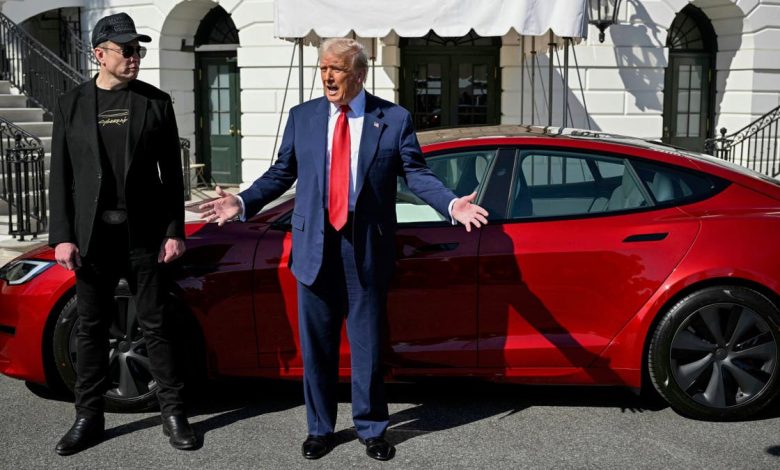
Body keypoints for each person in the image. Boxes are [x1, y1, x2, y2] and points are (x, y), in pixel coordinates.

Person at [199, 38, 488, 461]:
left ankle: (372, 428)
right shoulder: (304, 117)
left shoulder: (392, 118)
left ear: (360, 74)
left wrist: (449, 202)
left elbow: (416, 173)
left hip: (365, 247)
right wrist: (242, 201)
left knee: (367, 346)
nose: (328, 77)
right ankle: (320, 428)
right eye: (322, 69)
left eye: (336, 69)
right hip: (315, 245)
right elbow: (282, 172)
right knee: (317, 346)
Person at [48, 12, 196, 455]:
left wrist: (175, 230)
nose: (135, 57)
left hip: (144, 236)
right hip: (92, 239)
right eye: (127, 50)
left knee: (156, 324)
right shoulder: (70, 105)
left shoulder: (155, 102)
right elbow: (61, 177)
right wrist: (62, 235)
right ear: (100, 54)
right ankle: (88, 417)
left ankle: (173, 413)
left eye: (138, 50)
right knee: (91, 328)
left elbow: (172, 176)